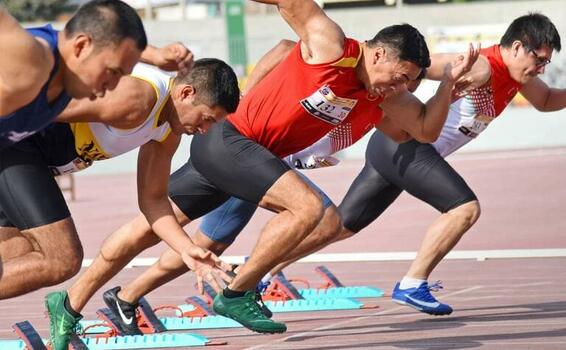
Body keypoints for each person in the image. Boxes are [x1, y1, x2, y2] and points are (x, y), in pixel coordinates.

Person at [252, 12, 564, 316]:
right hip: (407, 144)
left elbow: (547, 100)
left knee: (340, 227)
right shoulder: (484, 66)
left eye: (546, 63)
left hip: (395, 149)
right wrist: (404, 87)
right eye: (539, 59)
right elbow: (425, 67)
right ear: (519, 47)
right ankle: (413, 283)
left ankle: (258, 274)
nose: (541, 68)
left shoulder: (516, 77)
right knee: (464, 208)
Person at [5, 58, 239, 349]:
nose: (205, 129)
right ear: (186, 93)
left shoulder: (167, 132)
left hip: (29, 159)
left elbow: (153, 202)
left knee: (15, 250)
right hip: (17, 148)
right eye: (206, 118)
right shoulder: (139, 98)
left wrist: (187, 249)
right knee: (61, 258)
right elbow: (40, 106)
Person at [0, 0, 194, 147]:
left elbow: (113, 45)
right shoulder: (31, 60)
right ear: (81, 46)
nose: (111, 87)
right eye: (113, 72)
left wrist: (156, 55)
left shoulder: (71, 78)